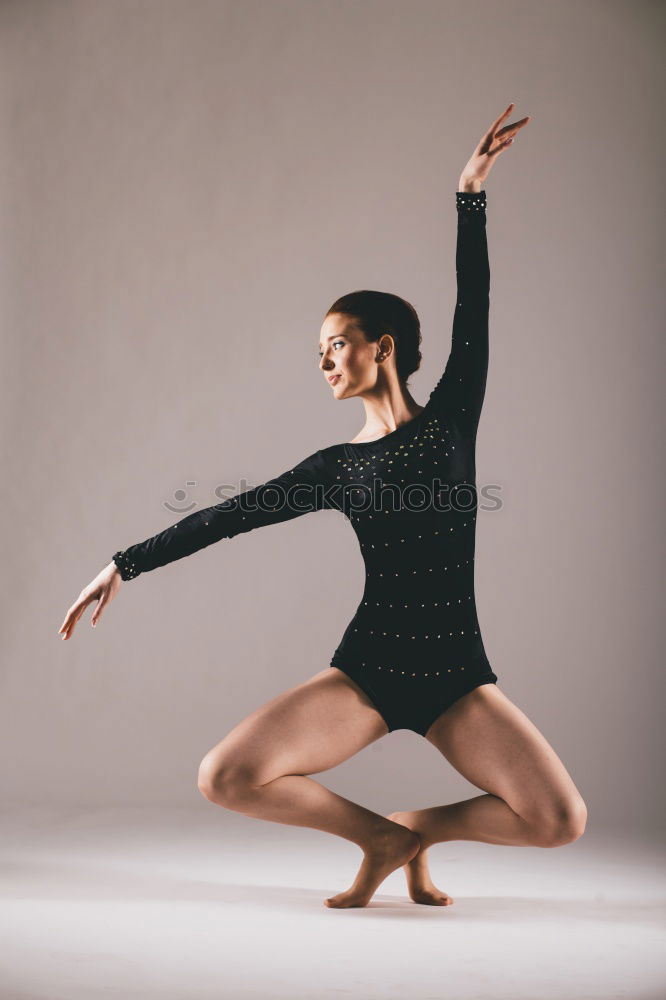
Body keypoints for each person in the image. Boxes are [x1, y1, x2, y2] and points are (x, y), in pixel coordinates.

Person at [58, 104, 587, 909]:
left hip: (456, 675)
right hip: (370, 669)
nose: (324, 361)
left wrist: (469, 193)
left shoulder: (452, 416)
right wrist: (123, 562)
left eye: (335, 343)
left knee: (558, 821)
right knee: (226, 776)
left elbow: (473, 308)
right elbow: (226, 517)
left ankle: (420, 824)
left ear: (383, 346)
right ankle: (381, 838)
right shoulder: (337, 468)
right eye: (317, 353)